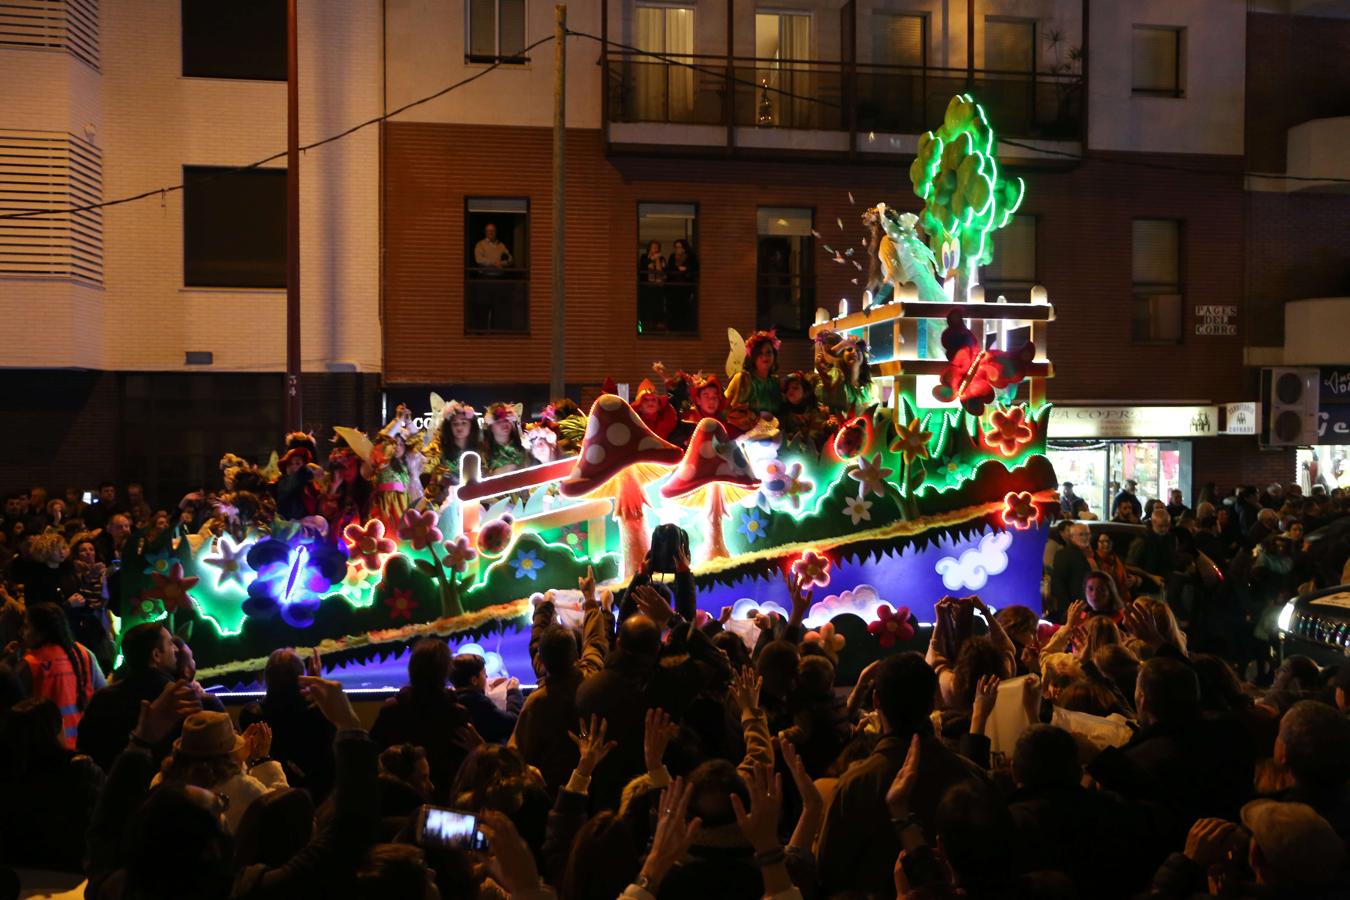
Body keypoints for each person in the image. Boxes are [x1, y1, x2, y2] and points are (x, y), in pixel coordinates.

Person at [817, 652, 989, 896]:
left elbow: (829, 872)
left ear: (876, 700)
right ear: (932, 703)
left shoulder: (853, 785)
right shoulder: (973, 777)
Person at [0, 697, 106, 872]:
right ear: (57, 728)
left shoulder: (10, 773)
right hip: (69, 872)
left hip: (15, 871)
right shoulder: (79, 770)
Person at [369, 638, 474, 804]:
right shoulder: (456, 713)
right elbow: (466, 764)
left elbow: (373, 753)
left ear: (412, 668)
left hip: (395, 799)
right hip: (445, 800)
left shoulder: (391, 709)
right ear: (446, 670)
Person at [153, 710, 288, 833]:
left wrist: (237, 760)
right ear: (226, 754)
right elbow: (281, 812)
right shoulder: (245, 789)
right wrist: (263, 760)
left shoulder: (160, 781)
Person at [76, 622, 180, 770]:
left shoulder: (103, 698)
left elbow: (87, 748)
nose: (175, 649)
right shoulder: (177, 697)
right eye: (170, 644)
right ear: (156, 655)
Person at [17, 602, 105, 747]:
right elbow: (102, 694)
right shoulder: (83, 653)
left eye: (27, 627)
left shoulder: (30, 663)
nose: (22, 633)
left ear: (41, 631)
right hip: (83, 744)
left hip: (47, 748)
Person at [450, 652, 522, 745]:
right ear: (474, 680)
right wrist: (513, 691)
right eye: (484, 674)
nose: (487, 677)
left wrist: (486, 688)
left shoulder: (453, 700)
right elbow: (513, 721)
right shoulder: (478, 703)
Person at [1049, 522, 1094, 621]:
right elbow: (1058, 584)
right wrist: (1068, 610)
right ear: (1072, 537)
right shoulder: (1064, 555)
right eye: (1081, 534)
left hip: (1091, 606)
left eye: (1087, 534)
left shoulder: (1091, 554)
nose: (1085, 537)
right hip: (1076, 608)